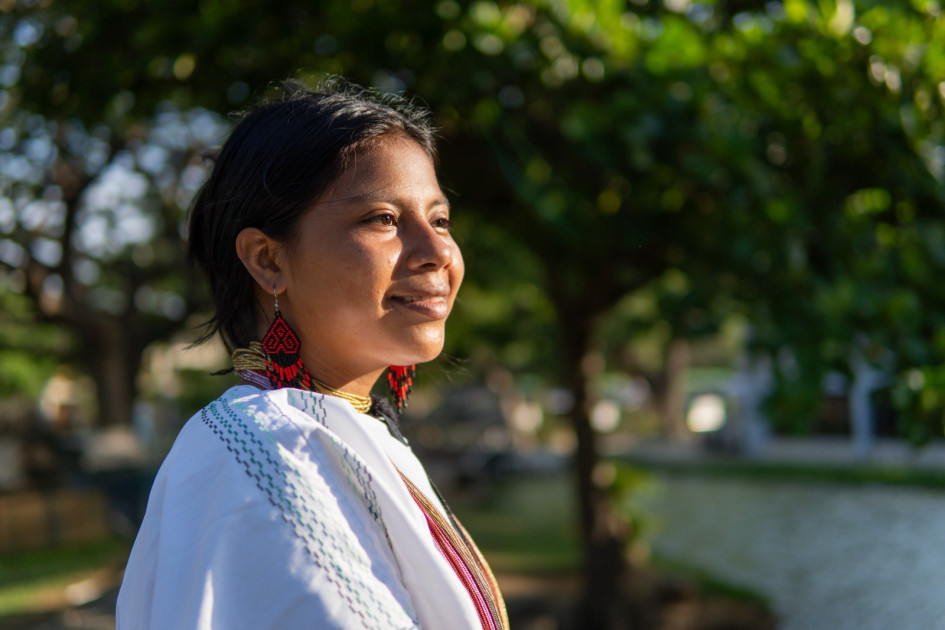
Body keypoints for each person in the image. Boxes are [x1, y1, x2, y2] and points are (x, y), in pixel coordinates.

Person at [116, 79, 508, 630]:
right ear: (268, 260)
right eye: (383, 219)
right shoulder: (267, 452)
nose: (437, 251)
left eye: (439, 219)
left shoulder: (344, 432)